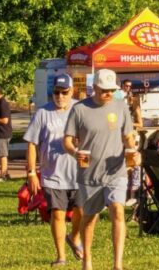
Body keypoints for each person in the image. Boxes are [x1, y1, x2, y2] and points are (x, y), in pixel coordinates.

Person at [63, 69, 133, 270]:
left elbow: (128, 136)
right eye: (104, 90)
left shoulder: (121, 107)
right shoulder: (79, 109)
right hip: (89, 174)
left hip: (115, 171)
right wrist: (75, 152)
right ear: (94, 87)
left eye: (112, 90)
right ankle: (87, 261)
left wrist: (133, 151)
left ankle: (117, 264)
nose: (108, 93)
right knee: (89, 217)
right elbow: (67, 140)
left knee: (117, 209)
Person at [26, 74, 83, 266]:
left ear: (72, 91)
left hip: (78, 173)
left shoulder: (80, 109)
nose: (60, 96)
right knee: (58, 214)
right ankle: (61, 256)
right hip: (53, 174)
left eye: (64, 92)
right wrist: (31, 172)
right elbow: (32, 143)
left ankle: (74, 237)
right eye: (56, 93)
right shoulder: (43, 113)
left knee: (82, 210)